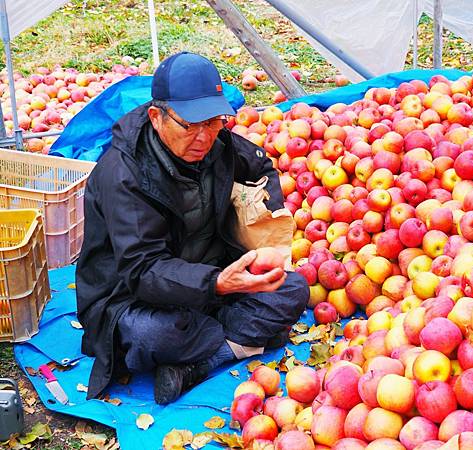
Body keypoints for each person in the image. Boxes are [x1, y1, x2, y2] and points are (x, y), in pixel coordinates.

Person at [76, 52, 309, 405]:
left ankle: (206, 359)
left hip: (211, 280)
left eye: (214, 122)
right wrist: (215, 283)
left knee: (292, 288)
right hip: (132, 296)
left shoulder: (218, 144)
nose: (203, 137)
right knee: (154, 334)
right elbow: (143, 270)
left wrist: (263, 231)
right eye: (190, 125)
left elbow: (262, 169)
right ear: (157, 117)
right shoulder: (123, 173)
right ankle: (244, 338)